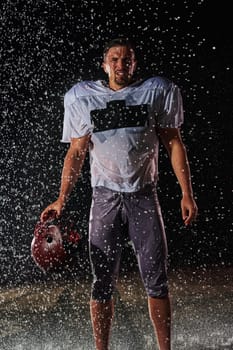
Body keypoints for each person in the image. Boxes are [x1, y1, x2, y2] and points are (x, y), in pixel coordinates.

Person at [40, 37, 198, 350]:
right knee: (102, 282)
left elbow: (173, 143)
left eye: (127, 60)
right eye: (115, 59)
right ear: (104, 64)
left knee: (156, 279)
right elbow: (76, 153)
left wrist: (186, 193)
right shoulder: (84, 97)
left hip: (143, 195)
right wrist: (61, 198)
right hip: (105, 198)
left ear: (135, 64)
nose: (121, 65)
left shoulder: (155, 92)